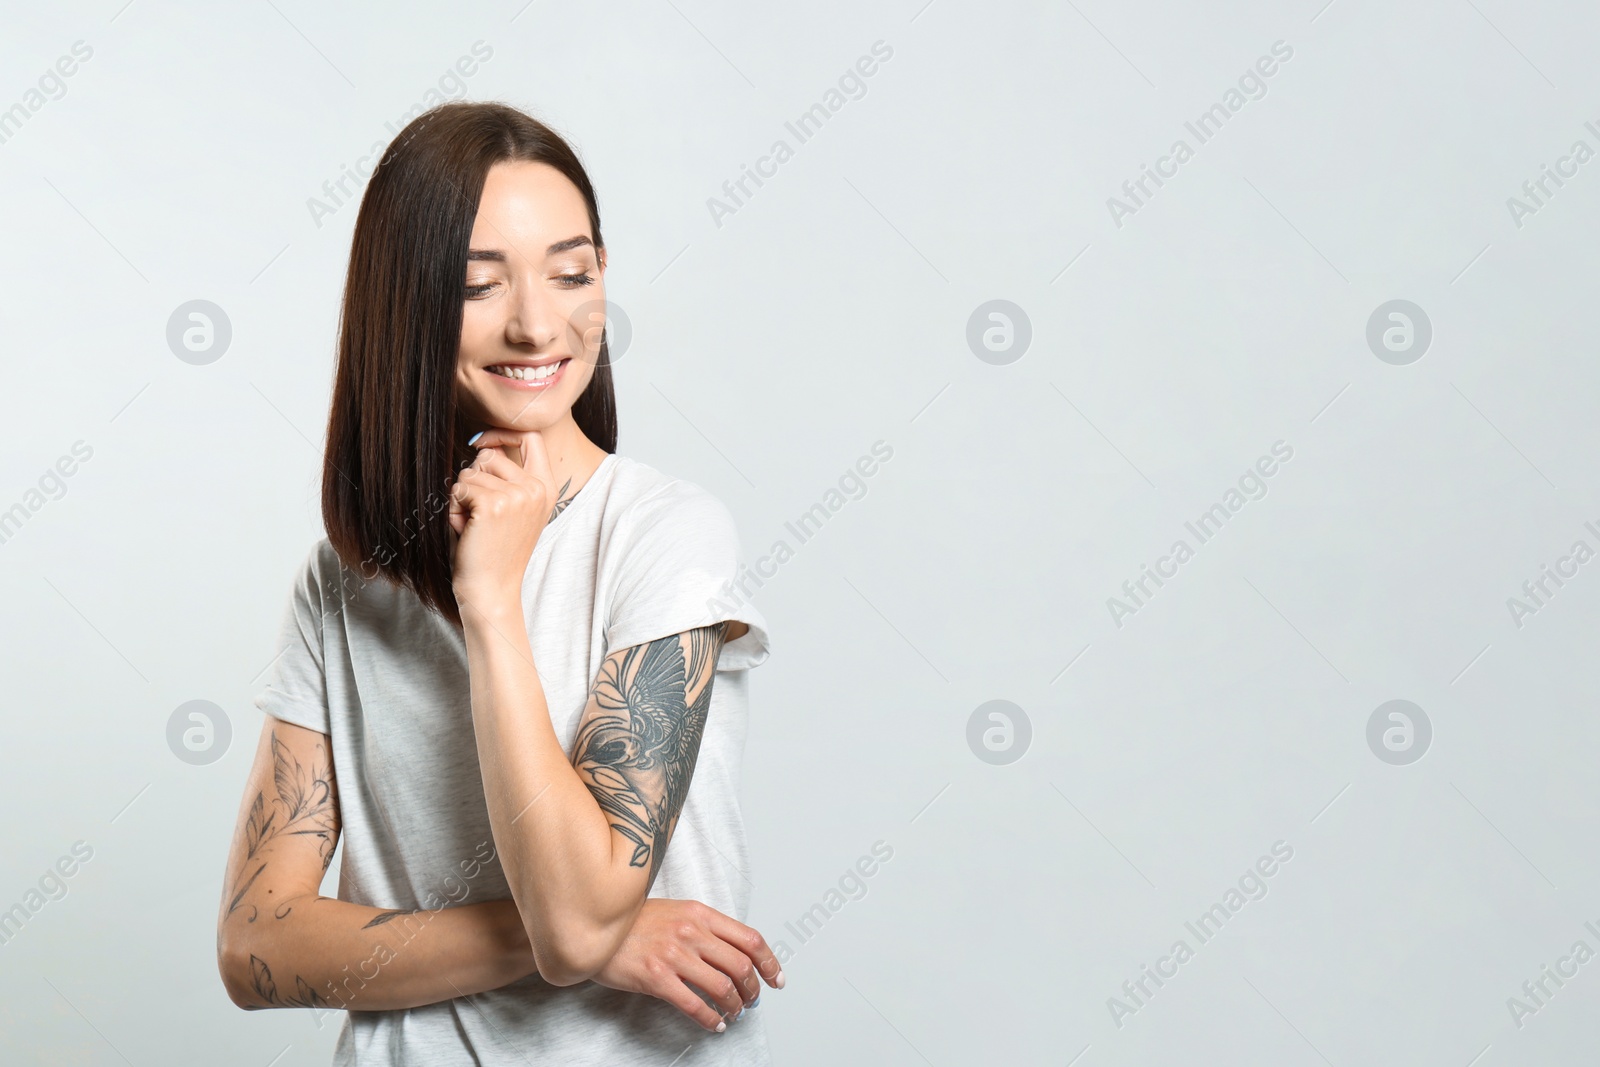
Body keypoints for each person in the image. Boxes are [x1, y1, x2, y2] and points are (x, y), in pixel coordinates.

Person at [214, 100, 782, 1065]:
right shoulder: (340, 582)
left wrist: (491, 603)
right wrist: (601, 935)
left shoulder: (664, 536)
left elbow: (575, 921)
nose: (537, 323)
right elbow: (256, 945)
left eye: (573, 272)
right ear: (407, 303)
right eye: (481, 285)